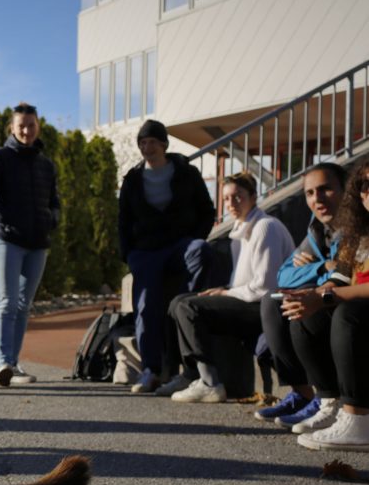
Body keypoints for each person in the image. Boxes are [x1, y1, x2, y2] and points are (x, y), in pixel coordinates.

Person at [158, 172, 293, 402]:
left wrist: (227, 293)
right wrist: (224, 290)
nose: (231, 203)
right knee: (177, 302)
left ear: (253, 196)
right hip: (248, 300)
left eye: (238, 196)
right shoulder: (240, 230)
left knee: (188, 308)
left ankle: (210, 383)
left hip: (267, 307)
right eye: (226, 198)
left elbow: (265, 287)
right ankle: (190, 374)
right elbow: (243, 282)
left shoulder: (265, 227)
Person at [119, 119, 216, 393]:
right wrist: (129, 255)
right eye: (142, 143)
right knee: (146, 305)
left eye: (152, 142)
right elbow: (123, 220)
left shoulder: (186, 172)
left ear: (164, 144)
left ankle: (187, 302)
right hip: (146, 250)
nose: (147, 147)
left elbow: (206, 210)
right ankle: (150, 370)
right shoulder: (133, 179)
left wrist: (196, 236)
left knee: (201, 250)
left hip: (180, 244)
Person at [282, 160, 369, 451]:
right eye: (364, 186)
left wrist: (325, 297)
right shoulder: (356, 233)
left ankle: (359, 418)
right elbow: (339, 278)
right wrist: (313, 295)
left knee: (348, 314)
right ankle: (331, 402)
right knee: (306, 316)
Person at [253, 162, 349, 429]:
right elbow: (284, 275)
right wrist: (321, 267)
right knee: (272, 301)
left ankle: (329, 397)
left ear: (345, 190)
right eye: (309, 193)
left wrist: (318, 277)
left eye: (325, 189)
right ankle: (303, 394)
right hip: (329, 291)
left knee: (305, 309)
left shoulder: (355, 227)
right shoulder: (317, 231)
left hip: (346, 299)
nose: (317, 199)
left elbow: (346, 273)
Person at [0, 103, 60, 386]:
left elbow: (54, 202)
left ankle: (14, 364)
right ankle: (3, 363)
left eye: (31, 125)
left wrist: (52, 219)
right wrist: (9, 218)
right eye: (21, 125)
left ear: (38, 126)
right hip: (6, 239)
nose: (26, 130)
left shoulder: (46, 165)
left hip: (38, 243)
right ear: (11, 127)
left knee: (24, 305)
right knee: (7, 302)